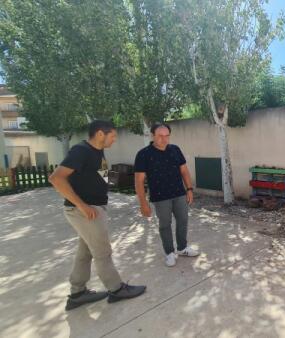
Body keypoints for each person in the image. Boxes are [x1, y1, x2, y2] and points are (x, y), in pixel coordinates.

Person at [49, 120, 146, 311]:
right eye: (113, 135)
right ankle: (116, 289)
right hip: (85, 211)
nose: (115, 139)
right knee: (103, 252)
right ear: (100, 133)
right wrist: (83, 206)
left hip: (95, 208)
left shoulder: (98, 152)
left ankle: (77, 293)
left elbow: (103, 175)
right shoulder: (81, 150)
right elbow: (56, 178)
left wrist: (111, 184)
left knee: (85, 253)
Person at [134, 122, 198, 267]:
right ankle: (169, 253)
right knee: (165, 225)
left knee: (183, 220)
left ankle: (182, 248)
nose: (164, 139)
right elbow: (139, 181)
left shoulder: (175, 150)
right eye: (160, 136)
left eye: (167, 136)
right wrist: (143, 204)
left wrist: (189, 189)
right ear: (152, 135)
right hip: (160, 196)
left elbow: (184, 171)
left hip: (179, 193)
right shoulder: (143, 154)